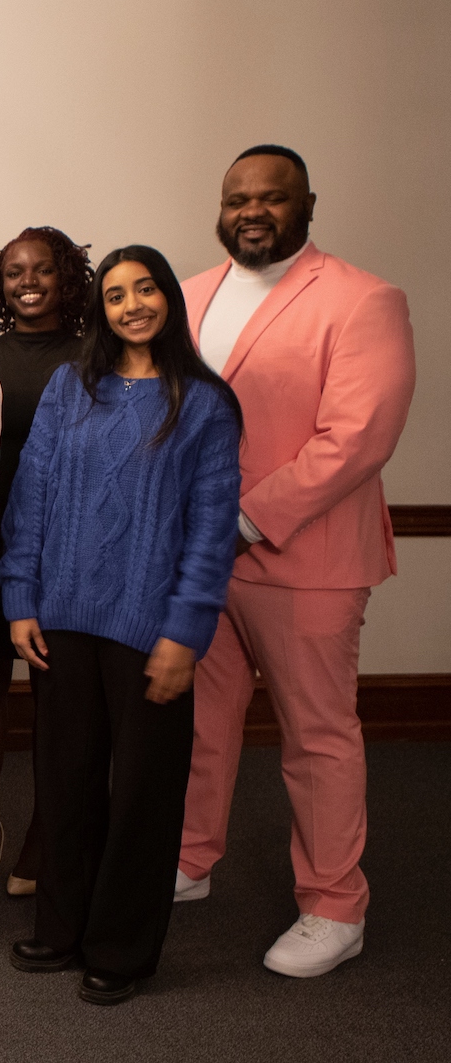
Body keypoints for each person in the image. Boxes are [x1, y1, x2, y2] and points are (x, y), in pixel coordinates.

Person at [177, 145, 415, 978]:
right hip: (201, 561)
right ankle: (191, 858)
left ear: (306, 203)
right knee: (201, 722)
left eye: (271, 198)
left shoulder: (363, 299)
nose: (252, 210)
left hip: (303, 556)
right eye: (237, 196)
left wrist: (243, 520)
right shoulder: (191, 295)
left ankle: (333, 905)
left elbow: (357, 438)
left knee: (317, 738)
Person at [0, 246, 242, 1005]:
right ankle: (63, 926)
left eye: (144, 290)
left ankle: (122, 948)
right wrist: (19, 598)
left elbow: (210, 530)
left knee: (141, 793)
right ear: (99, 309)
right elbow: (31, 495)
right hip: (61, 620)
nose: (131, 304)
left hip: (150, 629)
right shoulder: (73, 386)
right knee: (65, 782)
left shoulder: (204, 403)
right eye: (114, 295)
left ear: (168, 298)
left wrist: (185, 635)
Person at [0, 226, 93, 896]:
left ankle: (48, 829)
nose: (28, 282)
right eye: (14, 271)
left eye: (42, 270)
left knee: (56, 700)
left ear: (66, 277)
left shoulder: (97, 356)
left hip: (66, 551)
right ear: (0, 283)